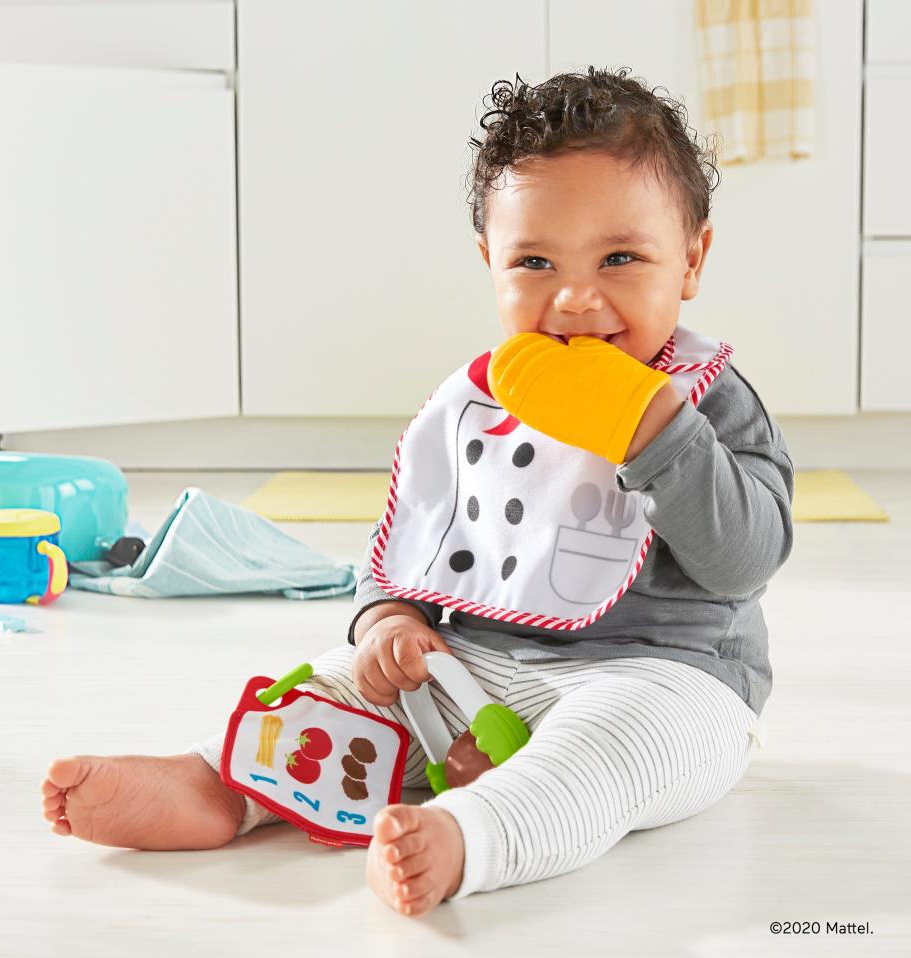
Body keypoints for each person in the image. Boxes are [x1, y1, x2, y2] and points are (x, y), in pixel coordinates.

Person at [40, 66, 794, 919]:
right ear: (490, 263)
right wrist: (389, 619)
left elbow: (745, 560)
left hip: (661, 676)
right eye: (536, 262)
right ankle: (217, 782)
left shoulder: (708, 401)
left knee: (612, 747)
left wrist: (658, 434)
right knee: (340, 690)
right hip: (470, 667)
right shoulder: (477, 405)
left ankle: (479, 831)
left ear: (692, 257)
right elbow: (420, 536)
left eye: (621, 258)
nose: (577, 300)